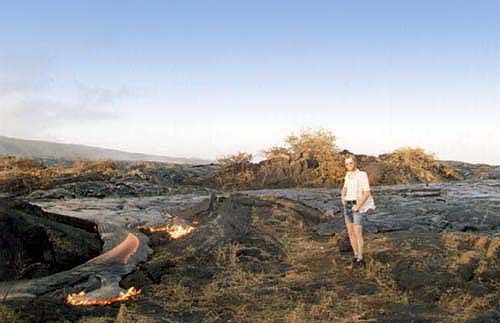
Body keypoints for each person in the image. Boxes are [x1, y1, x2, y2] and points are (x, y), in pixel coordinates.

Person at [341, 155, 375, 267]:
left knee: (358, 232)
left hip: (357, 205)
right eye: (346, 164)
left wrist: (358, 206)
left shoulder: (362, 175)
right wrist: (342, 197)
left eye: (350, 163)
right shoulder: (348, 175)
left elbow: (367, 192)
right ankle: (355, 255)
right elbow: (344, 187)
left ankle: (360, 258)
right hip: (347, 204)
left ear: (355, 163)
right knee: (350, 232)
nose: (348, 166)